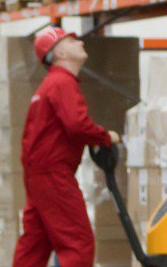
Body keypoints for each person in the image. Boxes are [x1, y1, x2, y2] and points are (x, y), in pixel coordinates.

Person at [13, 28, 121, 267]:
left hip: (37, 174)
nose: (80, 42)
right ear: (60, 52)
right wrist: (106, 137)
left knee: (34, 244)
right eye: (71, 40)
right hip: (53, 174)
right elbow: (77, 125)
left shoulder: (50, 84)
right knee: (77, 242)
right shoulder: (62, 82)